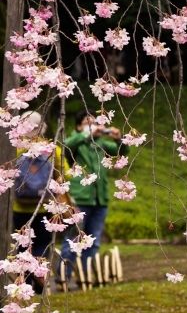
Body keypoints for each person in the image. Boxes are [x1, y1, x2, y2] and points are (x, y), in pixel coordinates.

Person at [61, 113, 127, 286]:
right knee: (74, 239)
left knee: (94, 241)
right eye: (87, 123)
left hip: (100, 200)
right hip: (79, 199)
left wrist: (119, 140)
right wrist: (85, 134)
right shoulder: (76, 142)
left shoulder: (101, 145)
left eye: (96, 123)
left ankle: (86, 277)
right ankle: (64, 278)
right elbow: (67, 146)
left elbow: (121, 154)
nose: (94, 126)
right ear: (78, 127)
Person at [12, 111, 68, 293]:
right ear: (42, 128)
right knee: (43, 244)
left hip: (19, 207)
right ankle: (40, 277)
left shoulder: (15, 148)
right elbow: (64, 173)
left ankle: (25, 283)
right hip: (45, 206)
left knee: (22, 244)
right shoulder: (52, 149)